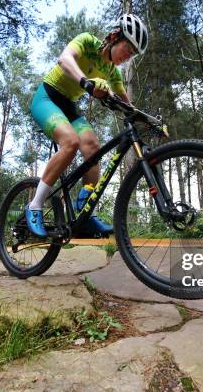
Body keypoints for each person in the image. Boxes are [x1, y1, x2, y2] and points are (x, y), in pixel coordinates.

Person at [26, 13, 149, 237]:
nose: (127, 57)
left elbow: (126, 103)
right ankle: (34, 205)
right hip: (47, 98)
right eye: (127, 50)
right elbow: (64, 59)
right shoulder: (87, 41)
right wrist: (86, 83)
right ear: (115, 37)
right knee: (71, 142)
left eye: (132, 55)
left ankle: (85, 213)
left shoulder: (112, 72)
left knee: (93, 147)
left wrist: (148, 120)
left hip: (69, 106)